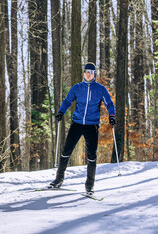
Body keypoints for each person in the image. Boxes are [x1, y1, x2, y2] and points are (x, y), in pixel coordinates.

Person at [49, 62, 116, 194]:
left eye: (90, 72)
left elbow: (109, 104)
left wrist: (112, 116)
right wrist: (61, 112)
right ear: (83, 73)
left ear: (94, 74)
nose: (88, 74)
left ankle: (89, 185)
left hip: (92, 126)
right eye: (86, 72)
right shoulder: (77, 88)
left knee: (91, 156)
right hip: (77, 124)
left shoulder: (100, 89)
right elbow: (67, 101)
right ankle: (58, 179)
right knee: (66, 151)